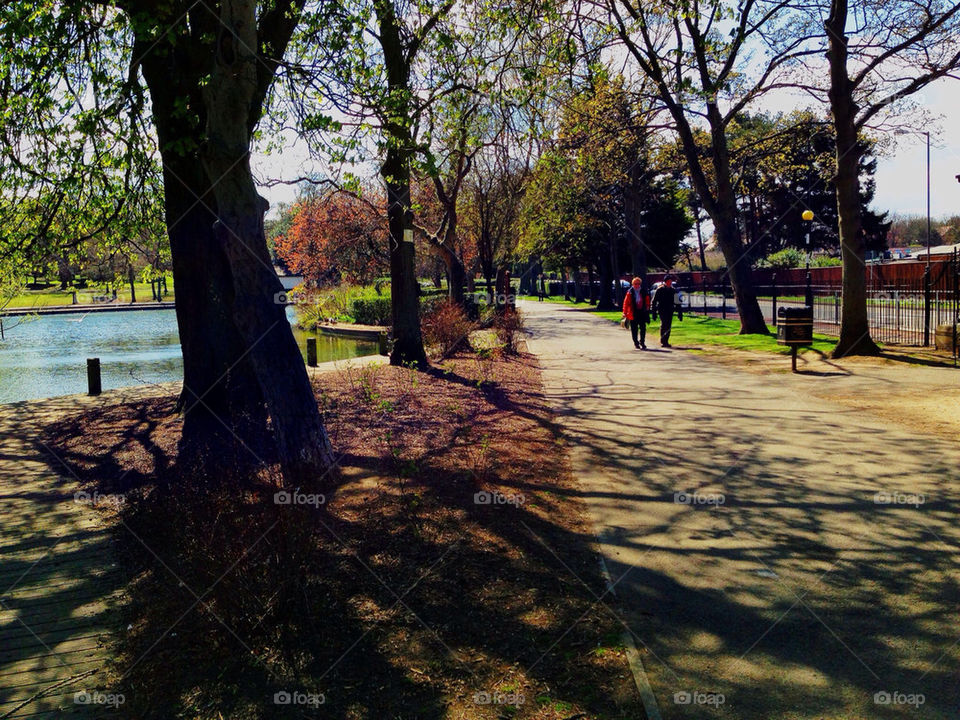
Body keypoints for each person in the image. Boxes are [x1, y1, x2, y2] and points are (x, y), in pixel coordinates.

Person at [651, 274, 682, 347]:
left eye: (670, 281)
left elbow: (677, 302)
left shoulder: (673, 290)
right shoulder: (660, 290)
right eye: (668, 281)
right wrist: (654, 312)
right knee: (664, 324)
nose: (670, 282)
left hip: (670, 310)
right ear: (665, 281)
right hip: (662, 310)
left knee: (668, 325)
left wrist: (679, 313)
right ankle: (663, 341)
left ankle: (666, 341)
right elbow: (654, 301)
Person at [621, 277, 650, 349]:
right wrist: (624, 312)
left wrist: (647, 306)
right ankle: (636, 342)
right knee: (634, 329)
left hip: (642, 312)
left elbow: (647, 300)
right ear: (632, 284)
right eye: (635, 284)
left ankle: (642, 342)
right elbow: (626, 303)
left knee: (643, 328)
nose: (637, 285)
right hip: (633, 312)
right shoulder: (629, 292)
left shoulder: (644, 291)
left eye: (638, 284)